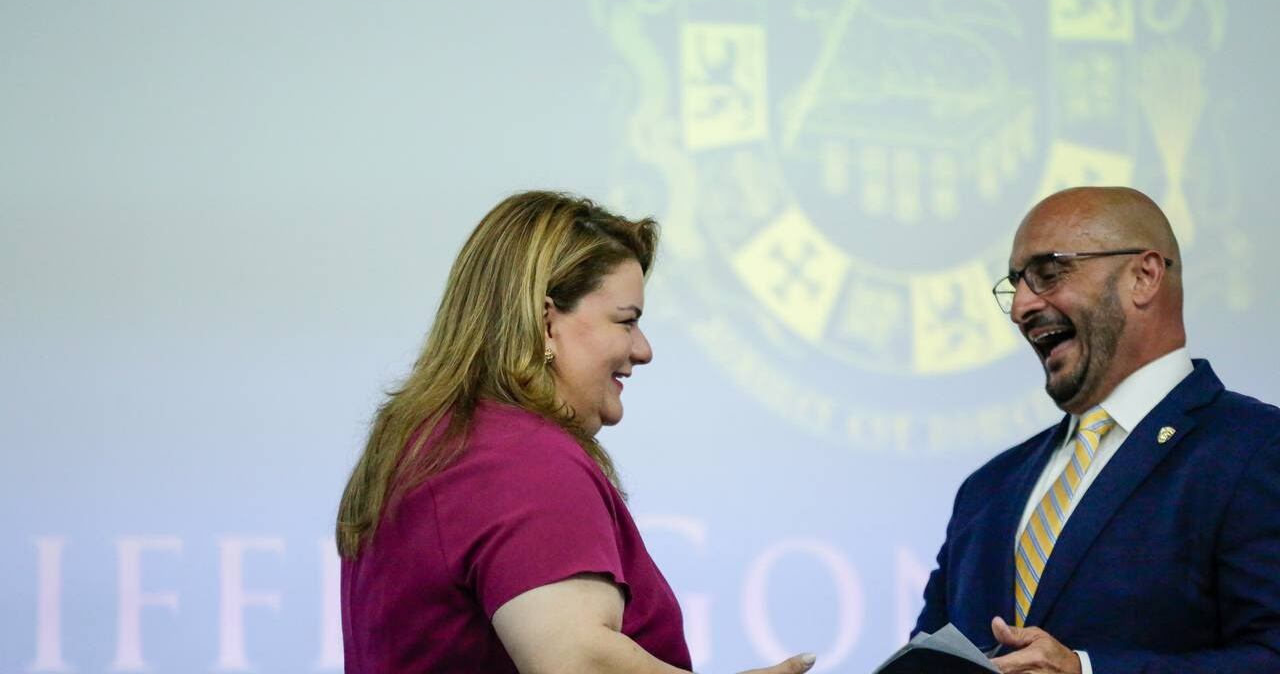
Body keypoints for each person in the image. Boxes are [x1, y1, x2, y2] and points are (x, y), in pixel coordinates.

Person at [336, 191, 816, 674]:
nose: (643, 350)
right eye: (626, 321)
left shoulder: (437, 444)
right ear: (546, 323)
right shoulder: (520, 458)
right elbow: (578, 662)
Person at [914, 186, 1280, 673]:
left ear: (1143, 276)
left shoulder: (1256, 448)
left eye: (1048, 273)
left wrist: (1086, 670)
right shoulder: (987, 489)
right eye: (1016, 284)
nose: (1021, 307)